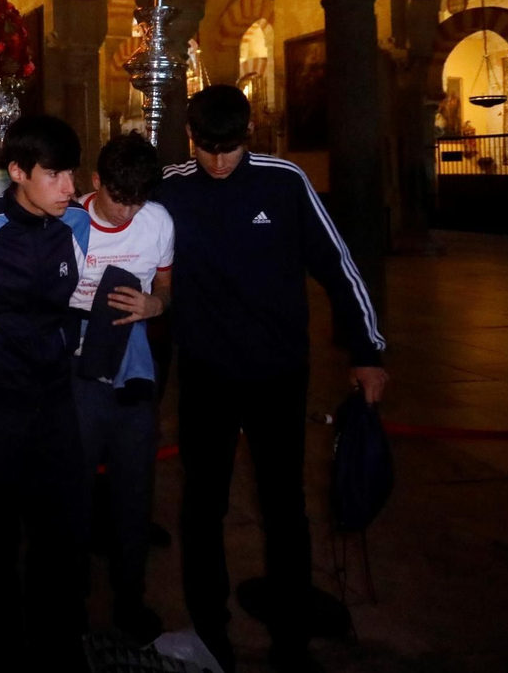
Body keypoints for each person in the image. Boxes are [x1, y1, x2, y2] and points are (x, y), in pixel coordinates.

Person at [158, 86, 388, 673]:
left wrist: (367, 349)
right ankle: (211, 633)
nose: (217, 161)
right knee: (202, 506)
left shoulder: (283, 182)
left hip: (277, 374)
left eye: (228, 149)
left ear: (248, 137)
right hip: (207, 373)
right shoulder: (173, 187)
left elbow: (339, 266)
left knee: (284, 504)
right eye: (207, 148)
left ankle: (292, 634)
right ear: (191, 138)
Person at [0, 114, 92, 670]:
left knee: (61, 528)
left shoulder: (75, 224)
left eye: (71, 174)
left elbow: (72, 295)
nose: (69, 188)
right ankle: (5, 644)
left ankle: (57, 640)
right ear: (17, 172)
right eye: (54, 175)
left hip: (53, 395)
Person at [69, 134, 172, 646]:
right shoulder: (67, 223)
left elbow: (166, 286)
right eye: (118, 198)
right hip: (78, 378)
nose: (128, 210)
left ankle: (130, 600)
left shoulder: (157, 220)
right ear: (95, 183)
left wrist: (156, 305)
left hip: (134, 374)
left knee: (135, 496)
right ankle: (71, 604)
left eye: (137, 200)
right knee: (74, 493)